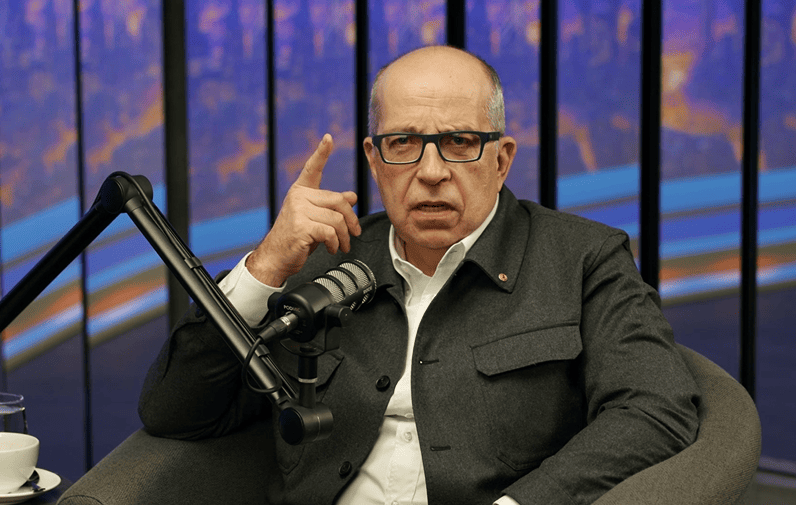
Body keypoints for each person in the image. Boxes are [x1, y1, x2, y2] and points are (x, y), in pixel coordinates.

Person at [138, 45, 700, 505]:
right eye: (403, 143)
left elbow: (655, 409)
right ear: (374, 159)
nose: (431, 172)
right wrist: (265, 265)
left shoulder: (583, 258)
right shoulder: (321, 257)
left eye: (459, 142)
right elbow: (175, 412)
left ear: (501, 159)